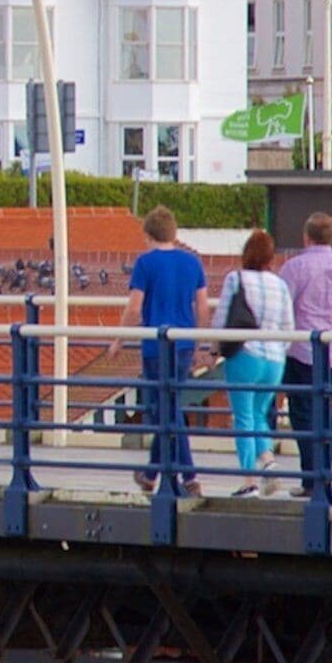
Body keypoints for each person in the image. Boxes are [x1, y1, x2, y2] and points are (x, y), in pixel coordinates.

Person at [124, 206, 209, 495]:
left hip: (155, 345)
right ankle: (150, 474)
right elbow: (202, 306)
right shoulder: (192, 263)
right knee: (169, 408)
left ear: (148, 235)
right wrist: (199, 341)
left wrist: (118, 340)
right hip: (184, 343)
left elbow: (134, 308)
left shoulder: (145, 263)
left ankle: (189, 476)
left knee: (165, 410)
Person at [279, 212, 332, 483]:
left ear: (306, 237)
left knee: (303, 413)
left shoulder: (294, 268)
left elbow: (283, 310)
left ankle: (314, 477)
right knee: (325, 404)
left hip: (301, 350)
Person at [215, 228, 297, 489]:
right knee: (260, 413)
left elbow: (222, 317)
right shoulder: (280, 284)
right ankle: (269, 462)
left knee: (243, 418)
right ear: (270, 257)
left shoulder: (236, 279)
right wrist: (278, 349)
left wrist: (213, 347)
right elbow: (289, 327)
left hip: (245, 354)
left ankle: (248, 480)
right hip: (274, 360)